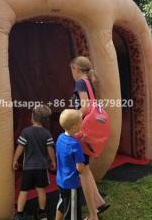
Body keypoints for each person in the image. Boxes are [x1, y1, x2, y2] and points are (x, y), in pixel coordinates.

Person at [69, 56, 109, 218]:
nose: (71, 73)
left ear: (76, 69)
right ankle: (99, 201)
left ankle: (93, 214)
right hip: (89, 130)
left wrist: (71, 119)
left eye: (71, 70)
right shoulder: (88, 82)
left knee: (82, 171)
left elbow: (85, 106)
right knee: (84, 168)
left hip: (82, 130)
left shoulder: (80, 82)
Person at [13, 105, 56, 220]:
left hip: (28, 168)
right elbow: (50, 149)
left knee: (24, 190)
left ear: (32, 117)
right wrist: (53, 161)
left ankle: (19, 215)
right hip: (41, 168)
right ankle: (42, 213)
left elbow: (20, 147)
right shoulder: (47, 133)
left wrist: (15, 159)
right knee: (41, 190)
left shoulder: (26, 132)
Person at [55, 109, 86, 220]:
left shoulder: (60, 138)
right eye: (81, 122)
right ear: (74, 127)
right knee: (72, 213)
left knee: (62, 203)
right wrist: (80, 171)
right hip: (71, 183)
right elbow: (80, 168)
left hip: (60, 180)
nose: (82, 123)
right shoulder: (75, 145)